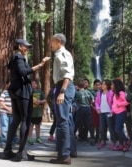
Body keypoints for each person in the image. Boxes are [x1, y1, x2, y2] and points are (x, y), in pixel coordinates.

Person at [3, 39, 50, 161]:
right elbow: (23, 72)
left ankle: (8, 150)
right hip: (22, 92)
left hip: (16, 91)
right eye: (26, 47)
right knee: (25, 120)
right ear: (19, 46)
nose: (28, 49)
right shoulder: (18, 57)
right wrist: (40, 65)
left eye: (29, 47)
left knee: (16, 120)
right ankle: (21, 152)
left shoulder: (16, 58)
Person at [49, 33, 75, 165]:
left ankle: (64, 155)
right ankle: (62, 153)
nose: (50, 44)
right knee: (61, 121)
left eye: (52, 42)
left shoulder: (62, 54)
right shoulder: (59, 54)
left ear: (58, 41)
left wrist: (62, 92)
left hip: (63, 86)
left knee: (63, 122)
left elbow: (67, 74)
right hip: (60, 86)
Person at [74, 79, 95, 146]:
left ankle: (72, 135)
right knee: (89, 124)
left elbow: (76, 101)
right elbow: (93, 100)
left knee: (77, 123)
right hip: (88, 108)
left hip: (81, 108)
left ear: (77, 86)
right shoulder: (88, 92)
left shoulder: (78, 93)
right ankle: (92, 138)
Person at [95, 80, 115, 149]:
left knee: (110, 127)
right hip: (101, 112)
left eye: (104, 84)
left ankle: (113, 141)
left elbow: (113, 102)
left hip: (109, 112)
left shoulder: (111, 93)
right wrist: (97, 109)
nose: (102, 85)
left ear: (108, 85)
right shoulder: (99, 93)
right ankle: (103, 141)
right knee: (102, 128)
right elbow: (96, 101)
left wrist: (112, 111)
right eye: (102, 84)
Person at [111, 79, 130, 152]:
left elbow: (127, 101)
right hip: (116, 113)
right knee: (119, 129)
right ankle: (121, 144)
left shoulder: (121, 93)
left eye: (113, 84)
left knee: (117, 128)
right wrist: (112, 111)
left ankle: (126, 141)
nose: (111, 86)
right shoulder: (115, 93)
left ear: (116, 85)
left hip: (121, 112)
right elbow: (114, 104)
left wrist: (119, 104)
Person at [28, 80, 46, 144]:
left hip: (38, 112)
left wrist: (39, 102)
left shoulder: (40, 91)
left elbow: (45, 100)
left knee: (38, 125)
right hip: (30, 112)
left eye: (34, 83)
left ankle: (38, 138)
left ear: (37, 84)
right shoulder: (28, 92)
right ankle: (29, 138)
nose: (33, 85)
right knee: (30, 125)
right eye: (32, 83)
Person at [0, 80, 15, 147]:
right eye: (10, 84)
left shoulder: (15, 93)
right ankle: (4, 142)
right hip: (4, 113)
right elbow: (1, 102)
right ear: (7, 84)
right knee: (4, 127)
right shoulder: (4, 92)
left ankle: (11, 141)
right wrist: (8, 109)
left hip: (13, 113)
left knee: (12, 127)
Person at [90, 79, 101, 143]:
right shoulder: (91, 92)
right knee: (93, 124)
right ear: (94, 85)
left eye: (99, 85)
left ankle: (98, 137)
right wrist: (94, 107)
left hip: (100, 111)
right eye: (96, 85)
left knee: (99, 125)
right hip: (93, 110)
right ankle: (92, 137)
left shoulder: (102, 92)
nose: (98, 86)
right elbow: (90, 102)